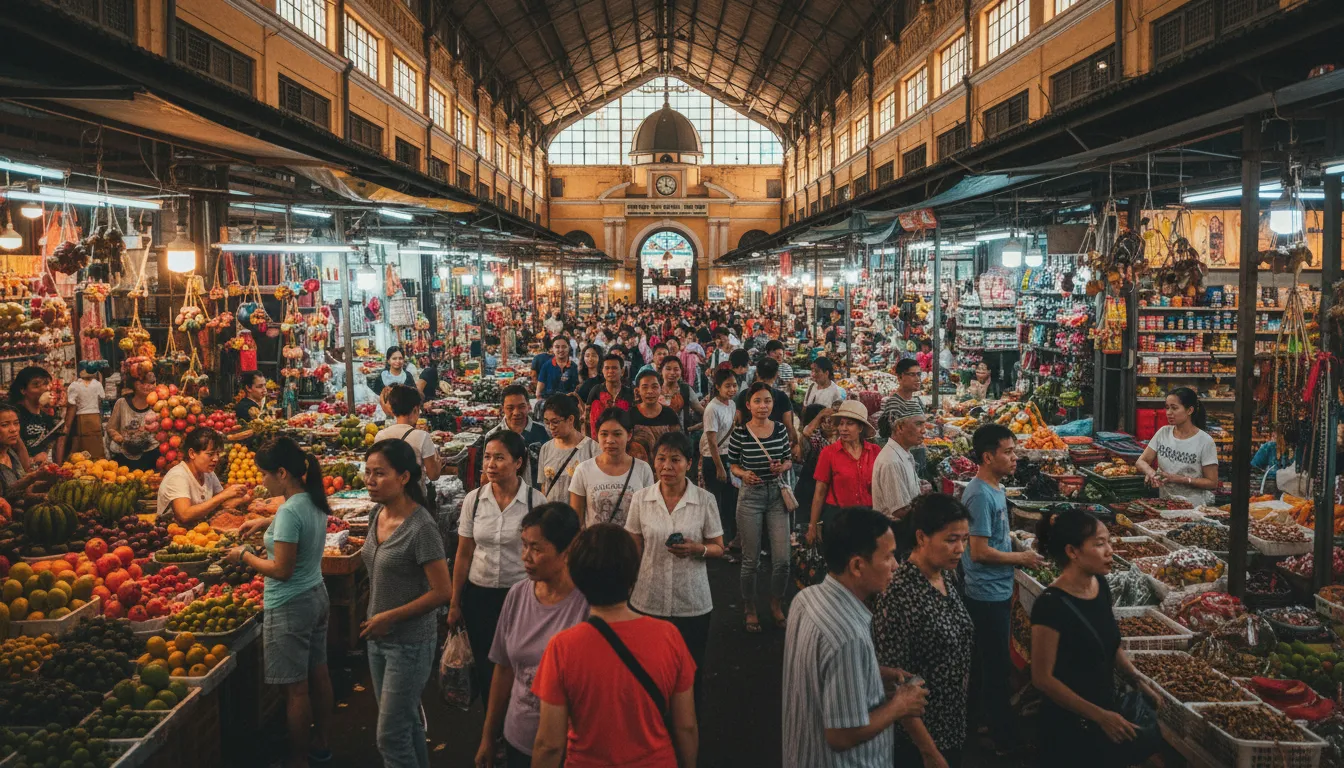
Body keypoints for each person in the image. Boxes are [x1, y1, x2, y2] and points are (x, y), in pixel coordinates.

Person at [530, 523, 699, 768]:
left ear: (577, 577)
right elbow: (686, 726)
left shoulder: (562, 648)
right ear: (632, 574)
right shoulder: (668, 636)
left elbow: (549, 744)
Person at [782, 507, 928, 768]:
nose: (897, 566)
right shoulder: (848, 637)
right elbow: (840, 736)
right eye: (889, 557)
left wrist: (874, 672)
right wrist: (900, 705)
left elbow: (818, 672)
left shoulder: (806, 598)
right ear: (858, 565)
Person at [226, 436, 334, 768]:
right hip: (316, 595)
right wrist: (267, 523)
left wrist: (243, 555)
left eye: (264, 474)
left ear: (282, 473)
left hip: (290, 604)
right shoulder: (312, 499)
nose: (261, 480)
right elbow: (297, 531)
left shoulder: (289, 511)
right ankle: (322, 743)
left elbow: (281, 570)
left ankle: (298, 759)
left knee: (295, 691)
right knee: (319, 674)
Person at [1031, 508, 1161, 767]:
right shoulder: (1050, 605)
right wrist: (1099, 716)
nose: (1110, 550)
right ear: (1073, 552)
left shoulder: (1100, 586)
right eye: (1099, 544)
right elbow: (1042, 679)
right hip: (1067, 727)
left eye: (1109, 542)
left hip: (1104, 715)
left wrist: (1136, 679)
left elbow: (1109, 643)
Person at [361, 439, 452, 768]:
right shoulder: (376, 513)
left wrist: (391, 617)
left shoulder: (421, 527)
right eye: (367, 472)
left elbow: (443, 591)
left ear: (403, 477)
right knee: (407, 724)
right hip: (378, 640)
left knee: (390, 735)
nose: (370, 480)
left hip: (409, 643)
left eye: (380, 473)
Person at [476, 502, 588, 768]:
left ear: (567, 550)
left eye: (536, 548)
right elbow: (503, 670)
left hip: (572, 748)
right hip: (519, 737)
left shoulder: (588, 603)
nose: (525, 556)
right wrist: (488, 736)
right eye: (524, 545)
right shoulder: (517, 595)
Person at [872, 494, 975, 767]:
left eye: (964, 539)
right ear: (922, 537)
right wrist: (929, 751)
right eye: (951, 539)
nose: (960, 549)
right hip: (919, 737)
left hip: (951, 723)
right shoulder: (899, 592)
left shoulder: (945, 575)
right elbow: (896, 684)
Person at [625, 431, 724, 710]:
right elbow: (634, 542)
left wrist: (698, 549)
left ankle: (688, 735)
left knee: (690, 673)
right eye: (661, 459)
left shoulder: (704, 500)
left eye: (675, 460)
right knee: (648, 672)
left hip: (691, 601)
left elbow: (718, 547)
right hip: (648, 598)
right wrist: (630, 581)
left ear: (689, 463)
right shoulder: (641, 499)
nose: (667, 466)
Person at [962, 424, 1044, 754]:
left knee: (986, 664)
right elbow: (979, 551)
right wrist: (1020, 556)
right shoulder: (980, 494)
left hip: (996, 590)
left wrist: (1015, 542)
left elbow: (994, 537)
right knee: (996, 669)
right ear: (987, 456)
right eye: (1008, 452)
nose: (1015, 457)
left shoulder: (995, 488)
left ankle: (976, 721)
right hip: (985, 594)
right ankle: (1002, 740)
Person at [451, 431, 541, 698]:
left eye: (499, 458)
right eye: (487, 457)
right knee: (486, 664)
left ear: (518, 462)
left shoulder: (536, 502)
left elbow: (543, 557)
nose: (490, 464)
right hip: (480, 596)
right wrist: (455, 601)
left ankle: (518, 722)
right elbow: (464, 553)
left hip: (522, 597)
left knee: (521, 663)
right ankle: (493, 726)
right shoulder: (474, 500)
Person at [729, 382, 793, 632]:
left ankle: (776, 603)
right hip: (751, 497)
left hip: (777, 495)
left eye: (767, 401)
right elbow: (732, 464)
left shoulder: (779, 429)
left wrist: (783, 467)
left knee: (783, 560)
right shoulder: (740, 433)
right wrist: (744, 474)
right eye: (757, 401)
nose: (763, 406)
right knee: (750, 560)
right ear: (748, 405)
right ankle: (750, 606)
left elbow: (788, 459)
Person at [806, 401, 881, 546]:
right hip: (838, 518)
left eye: (849, 424)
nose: (843, 428)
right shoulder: (829, 453)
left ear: (860, 427)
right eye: (841, 423)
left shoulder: (875, 451)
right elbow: (820, 492)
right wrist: (812, 525)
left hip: (868, 517)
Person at [569, 408, 654, 527]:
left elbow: (648, 515)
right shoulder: (583, 470)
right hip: (594, 544)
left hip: (631, 545)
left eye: (617, 434)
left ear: (629, 435)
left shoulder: (643, 469)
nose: (610, 440)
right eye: (604, 434)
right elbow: (576, 520)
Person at [1135, 387, 1219, 507]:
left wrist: (1179, 479)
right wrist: (1152, 474)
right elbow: (1141, 461)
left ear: (1189, 410)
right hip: (1165, 504)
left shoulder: (1205, 441)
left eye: (1174, 408)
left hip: (1193, 507)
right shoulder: (1163, 432)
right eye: (1167, 407)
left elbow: (1212, 482)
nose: (1169, 412)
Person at [157, 427, 248, 523]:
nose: (216, 459)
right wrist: (224, 495)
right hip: (175, 534)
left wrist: (243, 497)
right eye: (210, 454)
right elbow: (184, 515)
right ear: (192, 454)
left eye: (217, 454)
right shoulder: (178, 476)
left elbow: (220, 504)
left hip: (199, 532)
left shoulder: (208, 473)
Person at [871, 399, 925, 541]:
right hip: (894, 535)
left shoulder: (903, 454)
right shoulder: (892, 461)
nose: (924, 430)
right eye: (918, 424)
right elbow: (900, 510)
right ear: (900, 427)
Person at [700, 368, 740, 548]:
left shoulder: (731, 404)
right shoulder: (712, 408)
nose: (732, 389)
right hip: (714, 459)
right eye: (727, 386)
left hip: (728, 456)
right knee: (716, 502)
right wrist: (719, 467)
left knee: (730, 501)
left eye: (734, 385)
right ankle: (716, 541)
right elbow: (711, 440)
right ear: (717, 387)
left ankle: (729, 540)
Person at [375, 385, 442, 487]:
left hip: (389, 497)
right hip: (415, 499)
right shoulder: (422, 437)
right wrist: (438, 461)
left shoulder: (380, 436)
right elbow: (433, 475)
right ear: (415, 409)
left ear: (392, 409)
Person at [536, 394, 598, 502]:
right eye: (547, 422)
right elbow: (544, 487)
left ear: (570, 419)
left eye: (555, 422)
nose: (551, 427)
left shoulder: (592, 449)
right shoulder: (546, 448)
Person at [483, 384, 550, 484]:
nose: (516, 412)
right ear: (502, 409)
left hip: (537, 495)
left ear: (528, 406)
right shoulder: (493, 436)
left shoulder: (544, 432)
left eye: (521, 407)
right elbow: (487, 472)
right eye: (510, 408)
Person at [106, 371, 160, 471]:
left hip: (150, 456)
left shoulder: (159, 405)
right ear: (133, 384)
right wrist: (118, 437)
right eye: (142, 382)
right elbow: (111, 427)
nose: (147, 386)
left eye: (151, 383)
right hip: (124, 458)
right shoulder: (122, 403)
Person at [629, 370, 682, 464]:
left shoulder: (670, 414)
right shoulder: (631, 414)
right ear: (638, 390)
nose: (650, 391)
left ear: (660, 389)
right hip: (637, 467)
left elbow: (678, 444)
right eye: (645, 387)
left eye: (654, 387)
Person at [9, 365, 57, 465]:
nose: (43, 389)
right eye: (36, 385)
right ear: (23, 390)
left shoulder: (45, 417)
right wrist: (32, 460)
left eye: (45, 384)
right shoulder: (13, 416)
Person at [585, 353, 635, 436]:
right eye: (607, 368)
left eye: (614, 368)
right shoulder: (596, 391)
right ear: (602, 371)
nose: (610, 371)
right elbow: (587, 420)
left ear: (622, 371)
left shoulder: (629, 393)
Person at [64, 361, 105, 460]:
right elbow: (102, 396)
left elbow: (71, 401)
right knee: (95, 438)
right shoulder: (97, 384)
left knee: (85, 440)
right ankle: (97, 459)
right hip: (94, 416)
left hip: (82, 417)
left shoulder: (75, 385)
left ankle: (88, 460)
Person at [880, 358, 924, 434]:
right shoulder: (894, 404)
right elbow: (895, 435)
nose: (917, 379)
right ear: (900, 377)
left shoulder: (916, 401)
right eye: (912, 375)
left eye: (919, 374)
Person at [658, 356, 703, 431]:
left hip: (680, 438)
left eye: (676, 369)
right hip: (658, 437)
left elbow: (701, 411)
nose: (672, 373)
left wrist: (693, 428)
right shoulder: (655, 390)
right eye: (668, 369)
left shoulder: (685, 389)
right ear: (661, 371)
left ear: (681, 371)